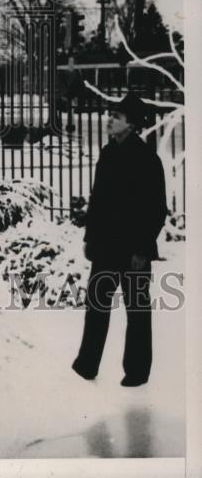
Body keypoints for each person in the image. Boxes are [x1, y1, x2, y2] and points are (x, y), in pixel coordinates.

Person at [72, 91, 168, 387]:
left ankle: (138, 372)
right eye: (110, 114)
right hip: (105, 247)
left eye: (117, 116)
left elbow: (156, 209)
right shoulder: (108, 152)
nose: (109, 119)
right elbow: (98, 200)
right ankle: (87, 366)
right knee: (96, 306)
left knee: (137, 311)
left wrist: (142, 249)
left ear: (132, 124)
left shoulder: (146, 158)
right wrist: (90, 237)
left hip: (133, 251)